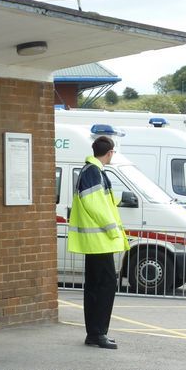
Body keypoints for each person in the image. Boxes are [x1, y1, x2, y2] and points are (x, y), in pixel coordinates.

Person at [68, 135, 129, 350]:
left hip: (97, 242)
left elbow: (99, 202)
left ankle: (94, 333)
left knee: (96, 287)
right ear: (109, 152)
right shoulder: (93, 172)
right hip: (100, 241)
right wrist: (112, 230)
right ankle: (98, 333)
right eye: (113, 152)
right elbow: (95, 205)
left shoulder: (92, 171)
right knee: (104, 287)